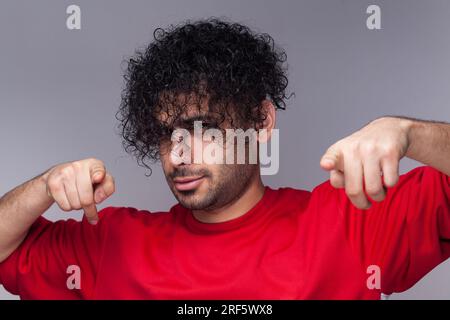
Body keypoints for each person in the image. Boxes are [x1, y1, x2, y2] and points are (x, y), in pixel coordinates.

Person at [0, 19, 449, 300]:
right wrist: (45, 185)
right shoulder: (110, 243)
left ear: (260, 120)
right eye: (165, 134)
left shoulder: (351, 221)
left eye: (203, 129)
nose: (179, 156)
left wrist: (408, 133)